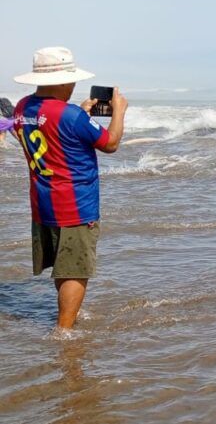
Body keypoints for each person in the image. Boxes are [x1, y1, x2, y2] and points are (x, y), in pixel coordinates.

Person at [10, 47, 127, 330]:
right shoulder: (71, 115)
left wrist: (80, 113)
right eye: (71, 80)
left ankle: (67, 317)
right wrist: (119, 112)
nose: (74, 85)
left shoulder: (22, 107)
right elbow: (110, 143)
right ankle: (64, 333)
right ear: (62, 82)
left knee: (64, 266)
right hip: (75, 205)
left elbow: (50, 130)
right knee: (76, 269)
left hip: (42, 201)